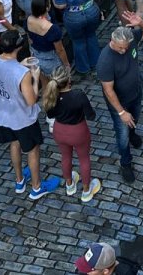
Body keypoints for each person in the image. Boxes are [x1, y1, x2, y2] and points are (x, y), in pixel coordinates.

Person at [0, 30, 60, 200]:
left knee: (14, 144)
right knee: (32, 150)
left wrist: (20, 64)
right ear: (19, 47)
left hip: (3, 115)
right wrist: (33, 77)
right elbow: (32, 100)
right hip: (22, 118)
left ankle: (19, 180)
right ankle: (37, 187)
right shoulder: (22, 73)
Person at [99, 12, 143, 184]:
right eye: (119, 47)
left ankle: (133, 133)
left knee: (135, 118)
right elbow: (108, 90)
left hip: (136, 92)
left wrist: (142, 23)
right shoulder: (105, 60)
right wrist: (121, 112)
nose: (123, 50)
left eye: (125, 47)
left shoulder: (131, 41)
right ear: (112, 41)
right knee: (122, 135)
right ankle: (125, 163)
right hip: (119, 103)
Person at [43, 65, 103, 202]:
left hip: (60, 131)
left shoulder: (52, 96)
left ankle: (70, 185)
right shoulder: (78, 95)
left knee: (65, 156)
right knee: (84, 159)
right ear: (68, 79)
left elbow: (50, 114)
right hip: (78, 132)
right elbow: (91, 116)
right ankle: (86, 191)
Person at [52, 0, 103, 74]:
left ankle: (83, 68)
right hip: (91, 10)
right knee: (91, 36)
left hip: (73, 17)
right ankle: (96, 62)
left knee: (78, 41)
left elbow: (61, 5)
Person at [26, 0, 71, 77]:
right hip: (50, 59)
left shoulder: (28, 20)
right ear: (47, 8)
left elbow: (30, 39)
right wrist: (66, 64)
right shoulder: (53, 29)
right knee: (58, 83)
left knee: (45, 83)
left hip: (36, 55)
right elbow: (60, 50)